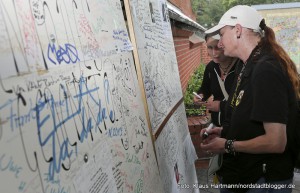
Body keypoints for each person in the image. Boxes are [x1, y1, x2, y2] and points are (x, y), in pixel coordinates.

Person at [200, 5, 300, 193]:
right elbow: (249, 119)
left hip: (262, 181)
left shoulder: (265, 69)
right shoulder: (247, 66)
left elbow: (276, 142)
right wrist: (223, 132)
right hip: (246, 177)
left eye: (222, 34)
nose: (220, 43)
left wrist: (228, 145)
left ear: (237, 30)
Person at [193, 34, 239, 127]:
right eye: (210, 47)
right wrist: (201, 95)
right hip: (217, 125)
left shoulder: (240, 66)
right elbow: (206, 88)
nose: (214, 53)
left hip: (237, 127)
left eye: (218, 47)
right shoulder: (211, 67)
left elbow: (245, 102)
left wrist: (221, 106)